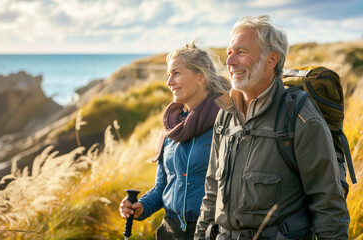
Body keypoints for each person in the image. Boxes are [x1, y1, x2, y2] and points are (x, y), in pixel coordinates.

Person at [194, 15, 350, 240]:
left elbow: (328, 205)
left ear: (272, 60)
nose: (230, 62)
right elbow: (211, 194)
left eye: (241, 52)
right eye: (229, 52)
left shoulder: (300, 118)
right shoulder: (225, 116)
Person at [119, 41, 231, 240]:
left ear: (200, 77)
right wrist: (141, 207)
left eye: (176, 73)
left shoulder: (226, 122)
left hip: (211, 231)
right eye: (168, 75)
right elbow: (163, 187)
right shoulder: (171, 128)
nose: (169, 82)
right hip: (169, 231)